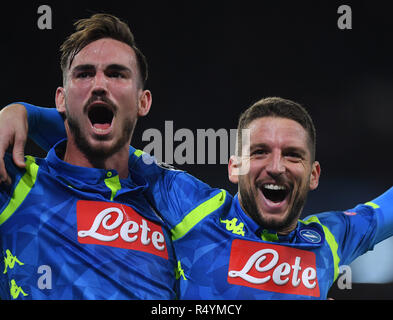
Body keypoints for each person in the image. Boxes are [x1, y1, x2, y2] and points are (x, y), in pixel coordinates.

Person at [2, 96, 392, 299]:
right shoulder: (192, 205)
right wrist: (26, 114)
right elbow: (104, 143)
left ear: (314, 175)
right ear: (234, 167)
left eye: (293, 155)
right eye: (259, 153)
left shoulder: (330, 240)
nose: (276, 167)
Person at [0, 13, 178, 299]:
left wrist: (28, 114)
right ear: (61, 99)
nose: (99, 85)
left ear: (142, 101)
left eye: (116, 74)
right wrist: (17, 111)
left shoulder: (170, 208)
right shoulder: (15, 181)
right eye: (84, 74)